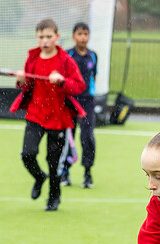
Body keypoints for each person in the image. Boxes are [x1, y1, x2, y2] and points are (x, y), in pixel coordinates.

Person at [11, 18, 86, 211]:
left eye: (49, 36)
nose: (45, 41)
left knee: (54, 163)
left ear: (57, 37)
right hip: (35, 115)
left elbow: (79, 85)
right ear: (37, 37)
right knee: (28, 154)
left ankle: (54, 198)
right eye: (41, 37)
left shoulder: (66, 61)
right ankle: (38, 177)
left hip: (58, 119)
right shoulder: (33, 58)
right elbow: (27, 85)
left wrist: (62, 81)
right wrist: (21, 81)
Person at [60, 22, 98, 189]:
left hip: (87, 102)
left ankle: (87, 173)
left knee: (87, 137)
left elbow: (93, 77)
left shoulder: (93, 56)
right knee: (68, 137)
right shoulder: (68, 54)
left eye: (86, 34)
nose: (83, 37)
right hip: (70, 101)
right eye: (80, 34)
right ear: (74, 36)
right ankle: (65, 172)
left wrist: (88, 93)